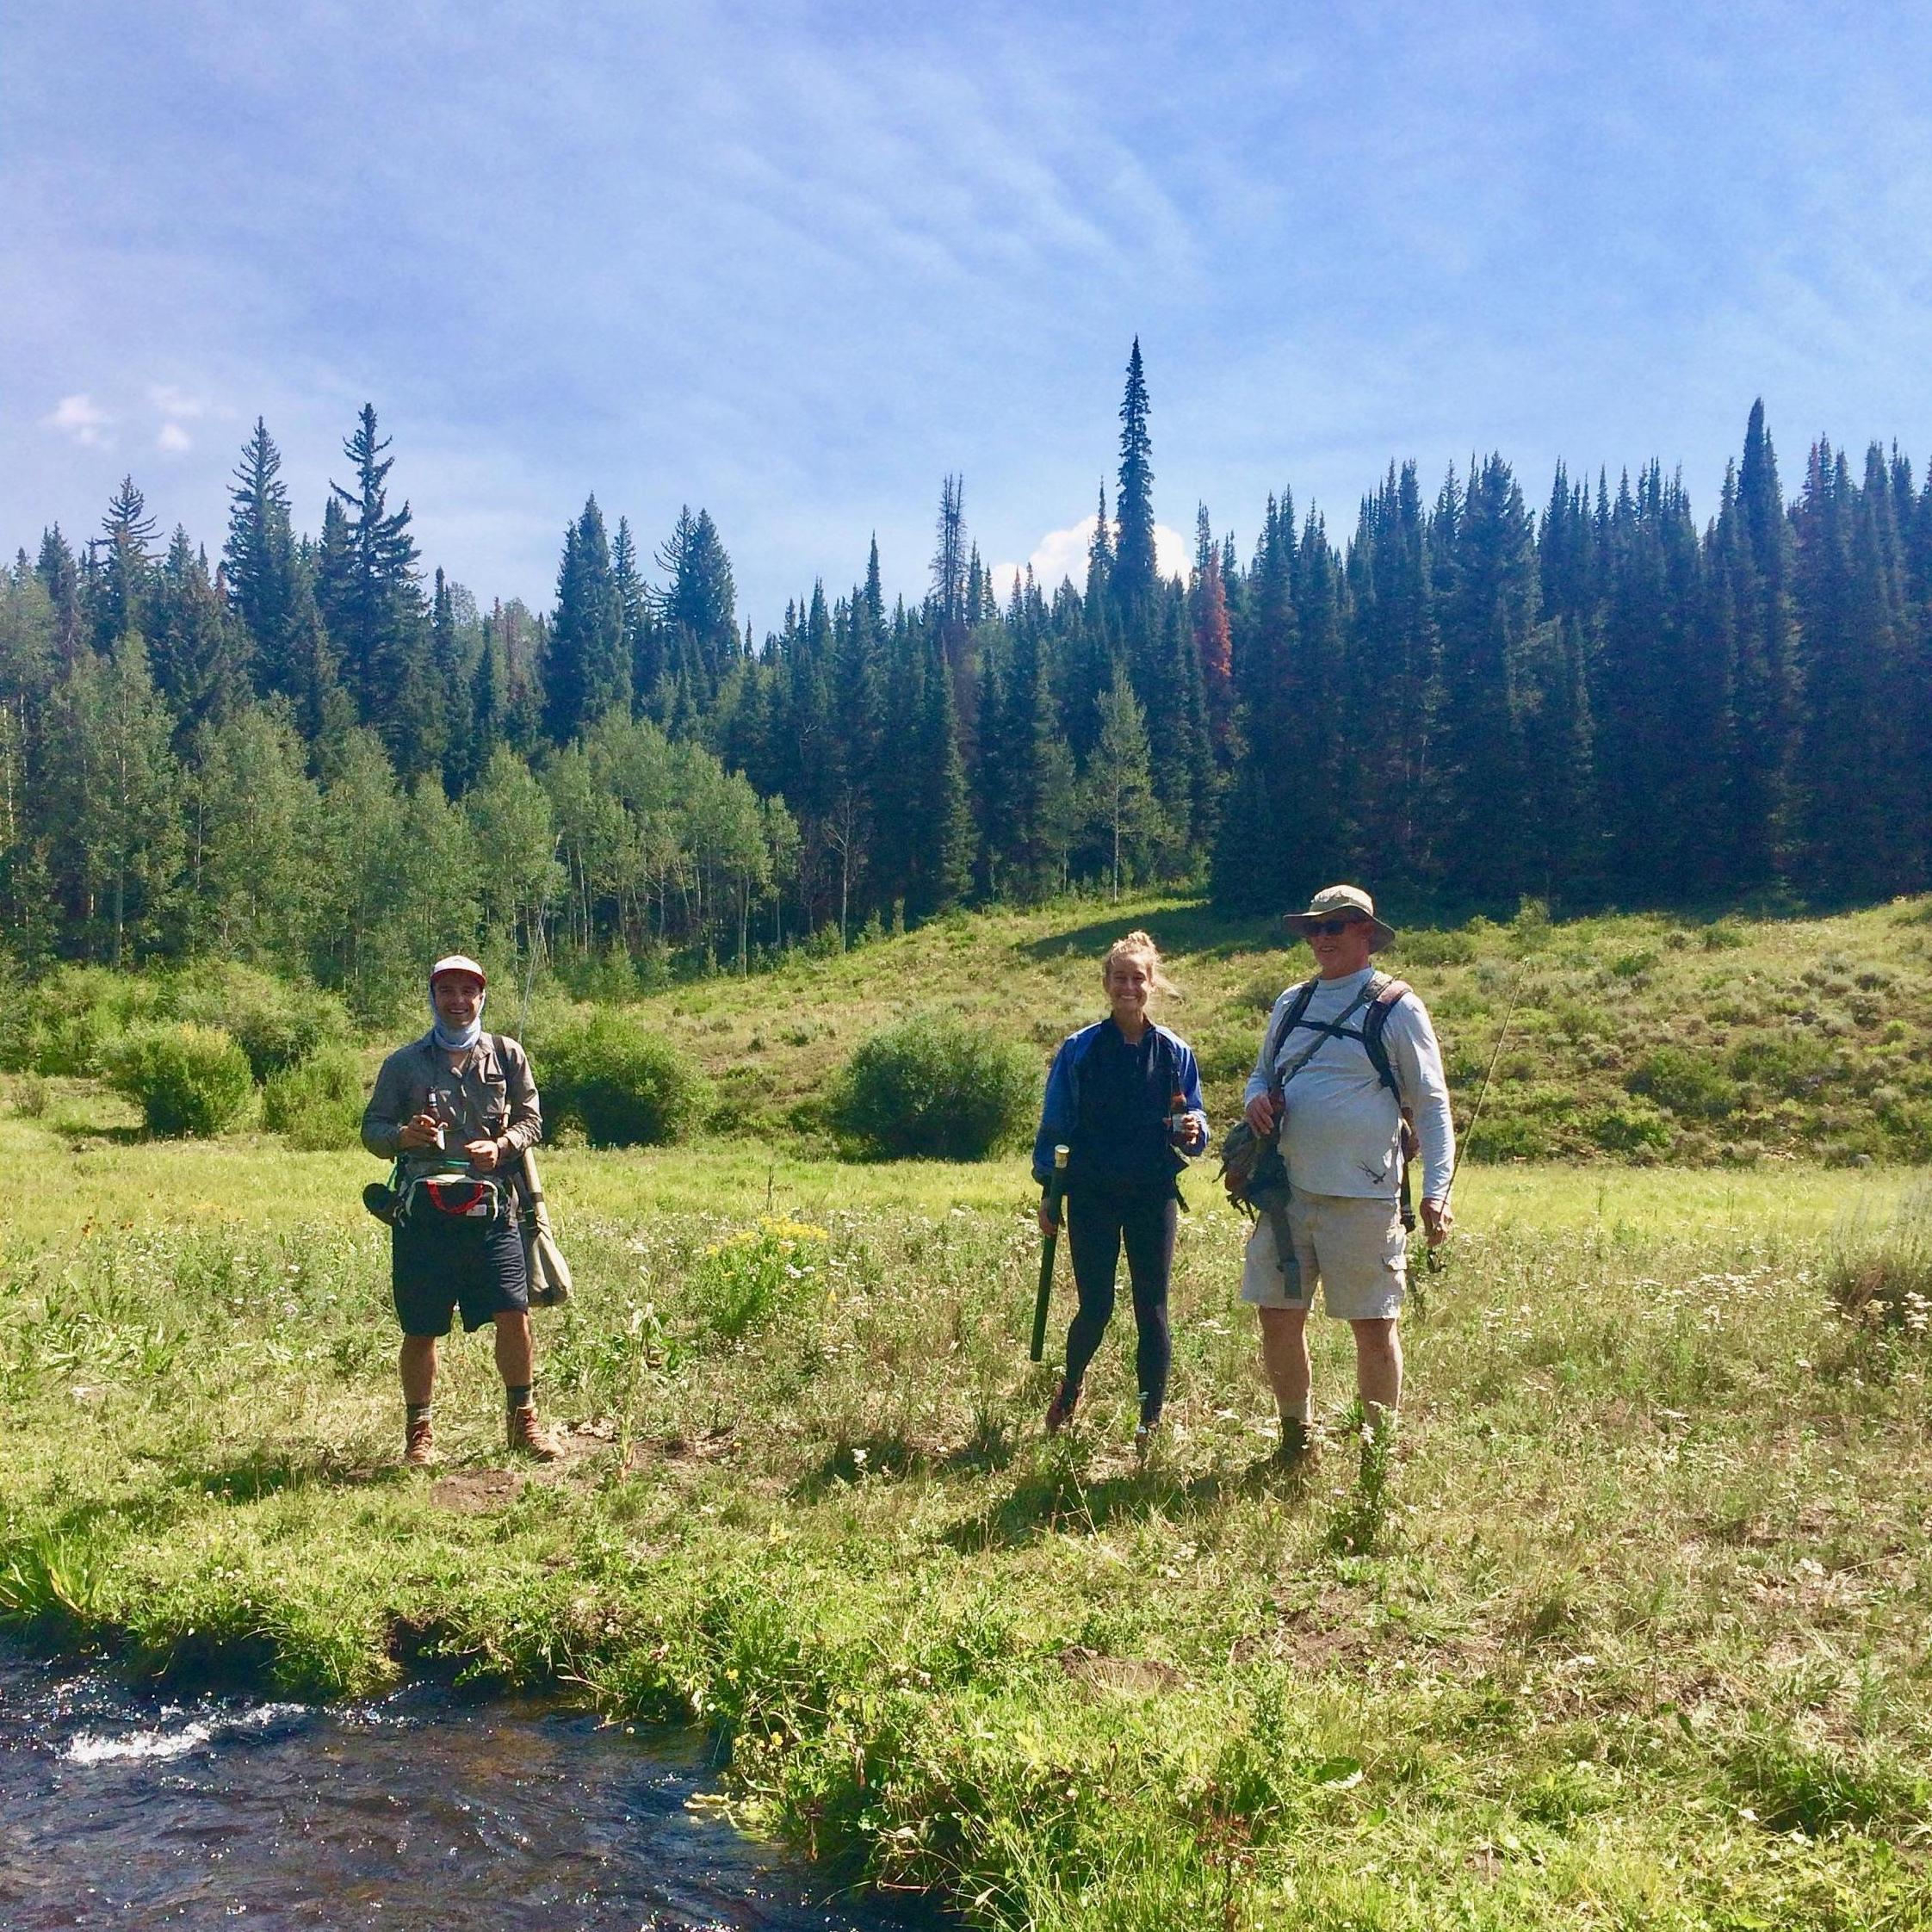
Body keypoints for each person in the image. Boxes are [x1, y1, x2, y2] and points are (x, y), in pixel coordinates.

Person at [1240, 886, 1453, 1456]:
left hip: (1365, 1198)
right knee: (1277, 1318)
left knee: (1373, 1328)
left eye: (1335, 926)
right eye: (1314, 928)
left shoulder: (1397, 1005)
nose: (1322, 938)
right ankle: (1295, 1438)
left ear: (1365, 932)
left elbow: (1431, 1102)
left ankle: (1376, 1453)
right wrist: (1255, 1101)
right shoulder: (1292, 1002)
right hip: (1285, 1195)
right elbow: (1261, 1076)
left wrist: (1437, 1190)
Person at [362, 955, 560, 1467]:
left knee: (513, 1315)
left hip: (495, 1214)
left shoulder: (507, 1054)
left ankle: (524, 1424)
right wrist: (404, 1136)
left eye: (466, 992)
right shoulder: (403, 1064)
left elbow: (533, 1121)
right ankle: (419, 1436)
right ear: (432, 997)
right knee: (421, 1326)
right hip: (422, 1217)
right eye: (446, 991)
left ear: (481, 997)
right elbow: (373, 1130)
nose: (457, 1001)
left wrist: (504, 1145)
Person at [1032, 931, 1208, 1453]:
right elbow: (1056, 1124)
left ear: (1151, 984)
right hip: (1091, 1195)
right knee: (1097, 1307)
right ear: (1106, 984)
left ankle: (1149, 1421)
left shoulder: (1175, 1053)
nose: (1128, 987)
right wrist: (1049, 1191)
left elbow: (1194, 1122)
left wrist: (1194, 1131)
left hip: (1153, 1195)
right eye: (1119, 978)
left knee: (1152, 1309)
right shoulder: (1079, 1050)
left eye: (1138, 978)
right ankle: (1072, 1385)